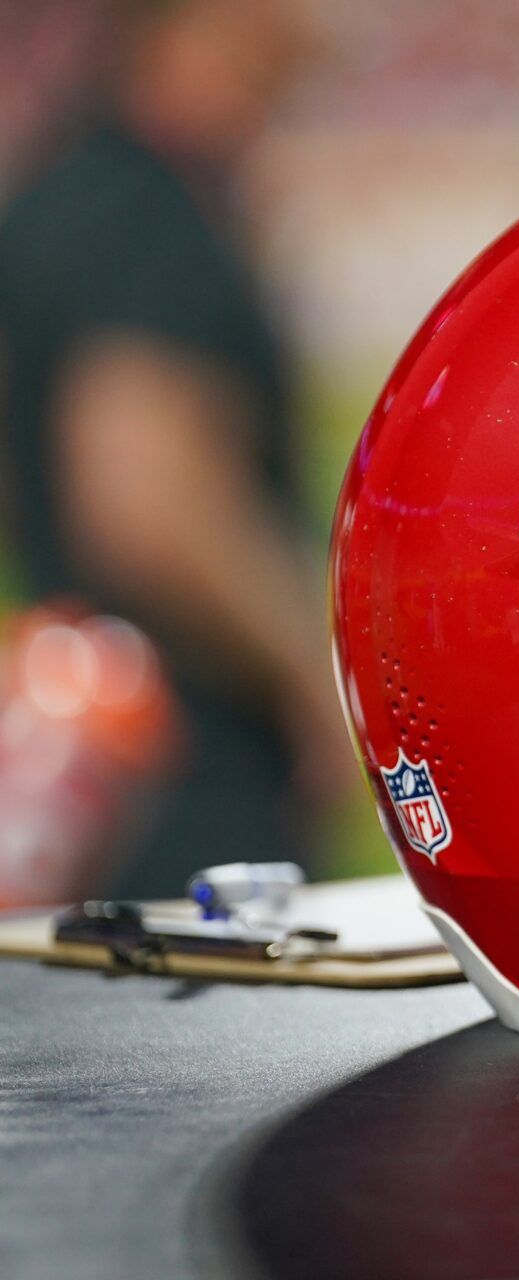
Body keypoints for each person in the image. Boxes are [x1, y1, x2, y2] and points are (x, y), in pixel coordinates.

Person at [0, 0, 348, 898]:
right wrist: (315, 673)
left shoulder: (75, 188)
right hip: (190, 777)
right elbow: (143, 501)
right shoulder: (142, 214)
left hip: (109, 768)